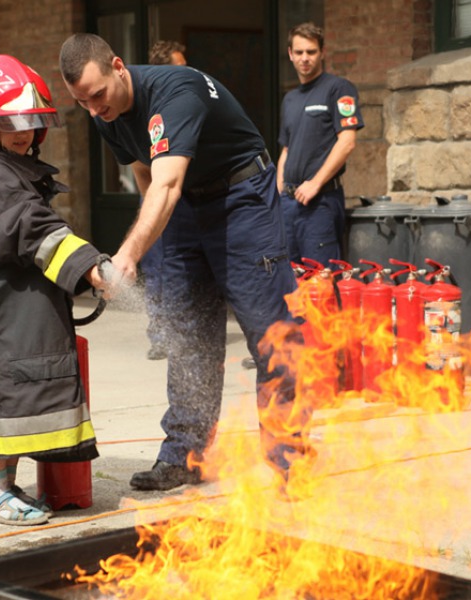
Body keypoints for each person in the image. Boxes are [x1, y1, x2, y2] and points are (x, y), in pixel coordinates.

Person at [59, 33, 300, 491]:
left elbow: (165, 185)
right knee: (188, 336)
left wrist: (130, 253)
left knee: (272, 335)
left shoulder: (176, 91)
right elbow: (147, 173)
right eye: (81, 102)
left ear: (117, 66)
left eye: (97, 95)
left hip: (241, 198)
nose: (93, 108)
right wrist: (157, 238)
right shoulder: (104, 112)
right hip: (187, 206)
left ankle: (290, 461)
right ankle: (184, 457)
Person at [0, 54, 107, 525]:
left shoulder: (7, 168)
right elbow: (29, 228)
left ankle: (5, 489)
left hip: (9, 307)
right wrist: (91, 267)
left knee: (14, 399)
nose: (25, 132)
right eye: (12, 123)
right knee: (2, 397)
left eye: (32, 122)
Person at [277, 22, 364, 266]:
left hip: (320, 203)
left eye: (311, 52)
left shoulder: (338, 89)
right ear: (290, 54)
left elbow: (347, 142)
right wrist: (280, 193)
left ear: (322, 53)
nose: (305, 58)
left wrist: (315, 183)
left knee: (320, 280)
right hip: (289, 204)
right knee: (290, 279)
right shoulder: (290, 99)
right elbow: (286, 149)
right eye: (300, 52)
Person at [140, 40, 187, 361]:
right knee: (158, 268)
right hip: (159, 200)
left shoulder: (182, 104)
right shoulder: (149, 110)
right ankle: (161, 335)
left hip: (180, 196)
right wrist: (153, 207)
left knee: (178, 270)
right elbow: (140, 167)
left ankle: (179, 332)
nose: (187, 74)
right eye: (181, 69)